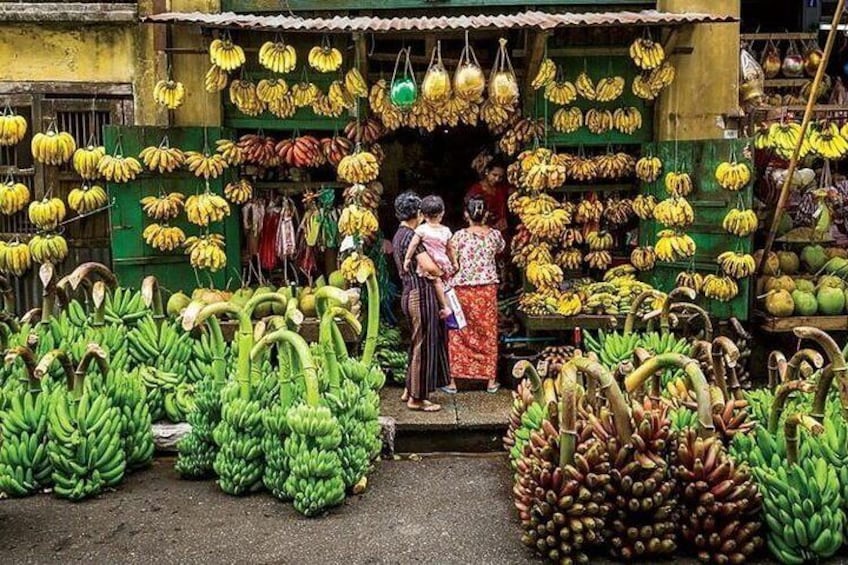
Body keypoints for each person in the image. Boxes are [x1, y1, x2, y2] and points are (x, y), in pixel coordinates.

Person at [391, 191, 450, 412]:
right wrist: (441, 270)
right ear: (418, 212)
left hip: (409, 292)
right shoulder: (411, 236)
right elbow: (429, 266)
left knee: (416, 342)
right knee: (423, 345)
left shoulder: (399, 234)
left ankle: (410, 389)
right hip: (420, 293)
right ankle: (417, 398)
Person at [444, 196, 506, 394]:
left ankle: (454, 382)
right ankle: (490, 381)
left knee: (459, 331)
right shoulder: (495, 235)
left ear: (465, 215)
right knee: (487, 332)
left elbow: (450, 260)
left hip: (462, 290)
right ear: (486, 214)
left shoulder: (459, 236)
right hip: (487, 290)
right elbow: (500, 250)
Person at [402, 195, 457, 319]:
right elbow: (450, 248)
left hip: (431, 260)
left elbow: (413, 245)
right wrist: (454, 262)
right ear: (442, 213)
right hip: (442, 260)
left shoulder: (421, 230)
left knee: (437, 282)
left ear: (423, 214)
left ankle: (444, 307)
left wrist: (407, 259)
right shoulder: (446, 231)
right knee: (447, 283)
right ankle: (450, 308)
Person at [465, 160, 509, 233]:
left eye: (500, 177)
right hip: (481, 231)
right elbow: (469, 213)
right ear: (487, 172)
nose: (497, 179)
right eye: (494, 175)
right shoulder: (476, 190)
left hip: (501, 231)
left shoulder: (501, 188)